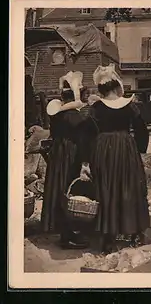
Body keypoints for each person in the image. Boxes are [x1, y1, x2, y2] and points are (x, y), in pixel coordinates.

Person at [83, 64, 150, 254]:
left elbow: (88, 134)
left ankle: (109, 238)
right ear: (116, 86)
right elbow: (141, 129)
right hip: (125, 148)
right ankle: (135, 232)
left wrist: (87, 161)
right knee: (129, 187)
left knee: (107, 188)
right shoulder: (129, 105)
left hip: (103, 149)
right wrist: (139, 150)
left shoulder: (96, 108)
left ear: (102, 89)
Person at [41, 71, 91, 249]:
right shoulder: (77, 118)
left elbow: (54, 134)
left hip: (58, 153)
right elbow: (83, 141)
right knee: (70, 191)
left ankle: (63, 232)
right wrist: (85, 162)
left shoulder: (57, 116)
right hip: (71, 154)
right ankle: (70, 234)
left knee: (58, 189)